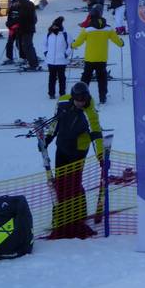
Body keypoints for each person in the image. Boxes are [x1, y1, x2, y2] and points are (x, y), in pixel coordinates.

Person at [43, 82, 104, 239]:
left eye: (83, 100)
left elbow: (96, 134)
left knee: (74, 183)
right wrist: (48, 137)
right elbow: (55, 122)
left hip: (78, 150)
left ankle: (78, 217)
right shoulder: (63, 101)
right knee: (61, 182)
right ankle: (62, 217)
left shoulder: (89, 112)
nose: (80, 103)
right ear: (72, 97)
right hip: (62, 146)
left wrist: (101, 156)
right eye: (77, 100)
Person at [71, 10, 123, 105]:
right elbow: (117, 40)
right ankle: (102, 97)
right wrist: (121, 43)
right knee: (102, 79)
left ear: (91, 17)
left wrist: (73, 45)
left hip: (90, 58)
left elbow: (78, 42)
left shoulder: (87, 29)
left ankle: (81, 97)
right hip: (102, 58)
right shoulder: (108, 28)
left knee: (86, 78)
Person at [44, 17, 71, 99]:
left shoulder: (65, 35)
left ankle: (62, 93)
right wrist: (46, 52)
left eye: (56, 26)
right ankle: (51, 93)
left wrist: (66, 54)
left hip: (61, 61)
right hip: (51, 61)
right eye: (54, 25)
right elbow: (44, 44)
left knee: (62, 78)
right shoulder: (49, 34)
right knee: (52, 78)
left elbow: (70, 46)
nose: (54, 27)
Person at [16, 0, 40, 70]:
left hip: (27, 29)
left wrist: (21, 25)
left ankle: (33, 63)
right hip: (27, 28)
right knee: (27, 46)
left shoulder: (25, 5)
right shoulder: (26, 4)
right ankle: (33, 62)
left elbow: (26, 18)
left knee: (27, 46)